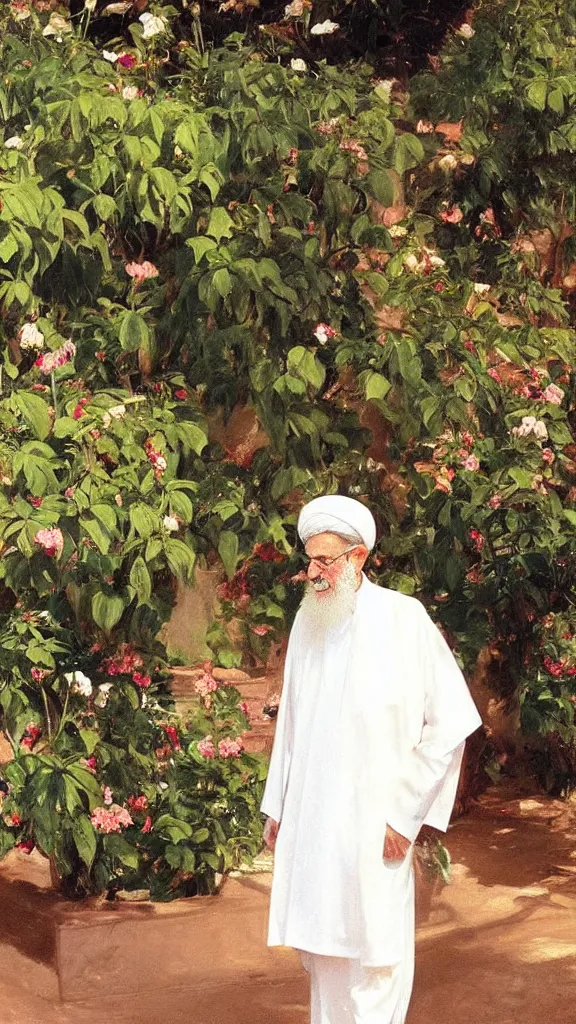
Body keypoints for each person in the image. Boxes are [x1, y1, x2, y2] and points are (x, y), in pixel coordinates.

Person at [260, 494, 482, 1024]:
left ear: (358, 558)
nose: (312, 572)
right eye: (309, 559)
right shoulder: (308, 622)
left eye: (325, 561)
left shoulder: (404, 620)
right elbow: (291, 723)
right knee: (324, 958)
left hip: (375, 826)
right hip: (315, 829)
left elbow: (450, 721)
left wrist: (405, 816)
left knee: (375, 963)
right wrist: (278, 808)